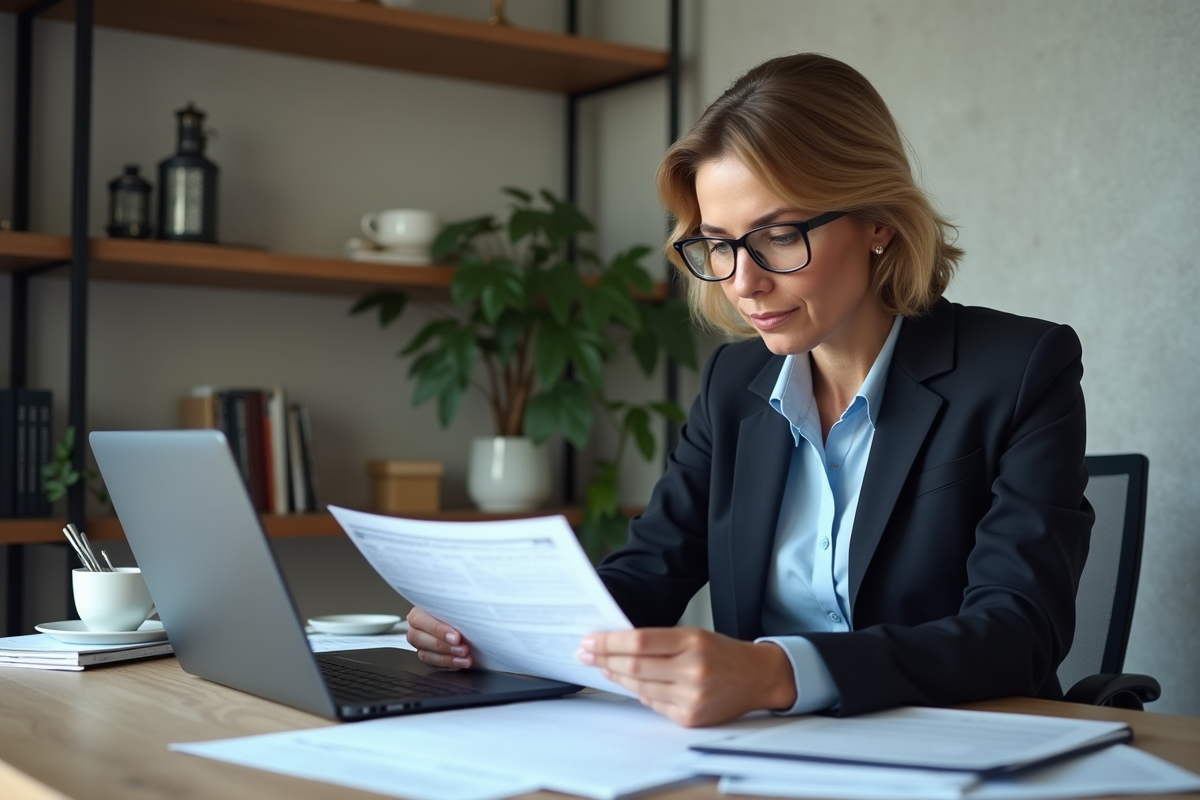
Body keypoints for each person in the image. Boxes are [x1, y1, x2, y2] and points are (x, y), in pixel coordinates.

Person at [407, 53, 1093, 727]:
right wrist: (491, 625)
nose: (743, 282)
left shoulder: (1021, 369)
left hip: (956, 748)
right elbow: (647, 574)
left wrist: (777, 673)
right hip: (760, 753)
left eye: (779, 236)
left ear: (879, 220)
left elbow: (1017, 631)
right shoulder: (734, 385)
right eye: (719, 244)